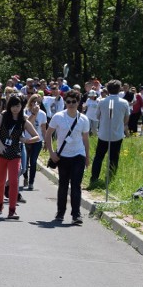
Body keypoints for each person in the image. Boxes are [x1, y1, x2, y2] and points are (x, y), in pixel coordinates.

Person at [44, 89, 90, 225]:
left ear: (78, 102)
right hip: (62, 156)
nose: (71, 104)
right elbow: (48, 134)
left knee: (76, 185)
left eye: (73, 102)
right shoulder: (58, 116)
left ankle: (76, 214)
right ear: (65, 102)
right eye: (68, 101)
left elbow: (86, 139)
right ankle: (60, 213)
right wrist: (52, 153)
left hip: (78, 155)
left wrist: (87, 156)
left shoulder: (83, 119)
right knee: (63, 185)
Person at [0, 95, 40, 219]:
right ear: (9, 106)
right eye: (13, 106)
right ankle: (0, 204)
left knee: (14, 181)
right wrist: (1, 146)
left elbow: (37, 136)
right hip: (0, 152)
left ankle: (12, 210)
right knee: (1, 180)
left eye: (18, 106)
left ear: (21, 107)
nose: (15, 109)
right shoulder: (3, 116)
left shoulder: (23, 120)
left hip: (15, 154)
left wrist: (26, 140)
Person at [89, 79, 130, 187]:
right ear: (119, 89)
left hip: (103, 134)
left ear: (107, 89)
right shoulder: (124, 102)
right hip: (117, 134)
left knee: (99, 157)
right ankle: (111, 178)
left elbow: (97, 116)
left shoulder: (102, 101)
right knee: (114, 158)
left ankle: (94, 178)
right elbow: (126, 119)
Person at [23, 94, 47, 191]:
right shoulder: (25, 111)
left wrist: (45, 141)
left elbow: (44, 129)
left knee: (33, 161)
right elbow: (25, 125)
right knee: (25, 162)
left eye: (39, 102)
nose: (36, 104)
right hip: (26, 140)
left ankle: (31, 182)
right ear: (30, 102)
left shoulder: (42, 114)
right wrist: (33, 114)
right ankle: (25, 177)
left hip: (37, 140)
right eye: (34, 101)